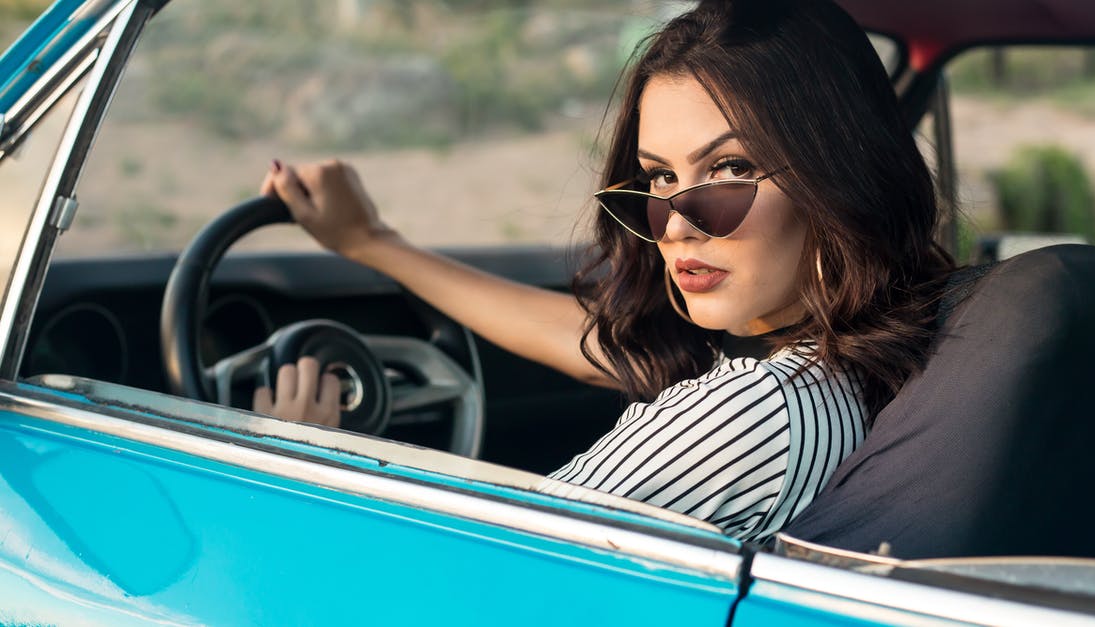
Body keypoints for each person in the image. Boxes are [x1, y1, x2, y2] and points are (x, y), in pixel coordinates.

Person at [254, 0, 954, 543]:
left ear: (838, 177)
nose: (676, 223)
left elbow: (470, 571)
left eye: (730, 170)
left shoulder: (752, 414)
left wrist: (296, 465)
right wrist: (372, 241)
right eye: (658, 178)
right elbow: (601, 342)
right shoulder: (853, 365)